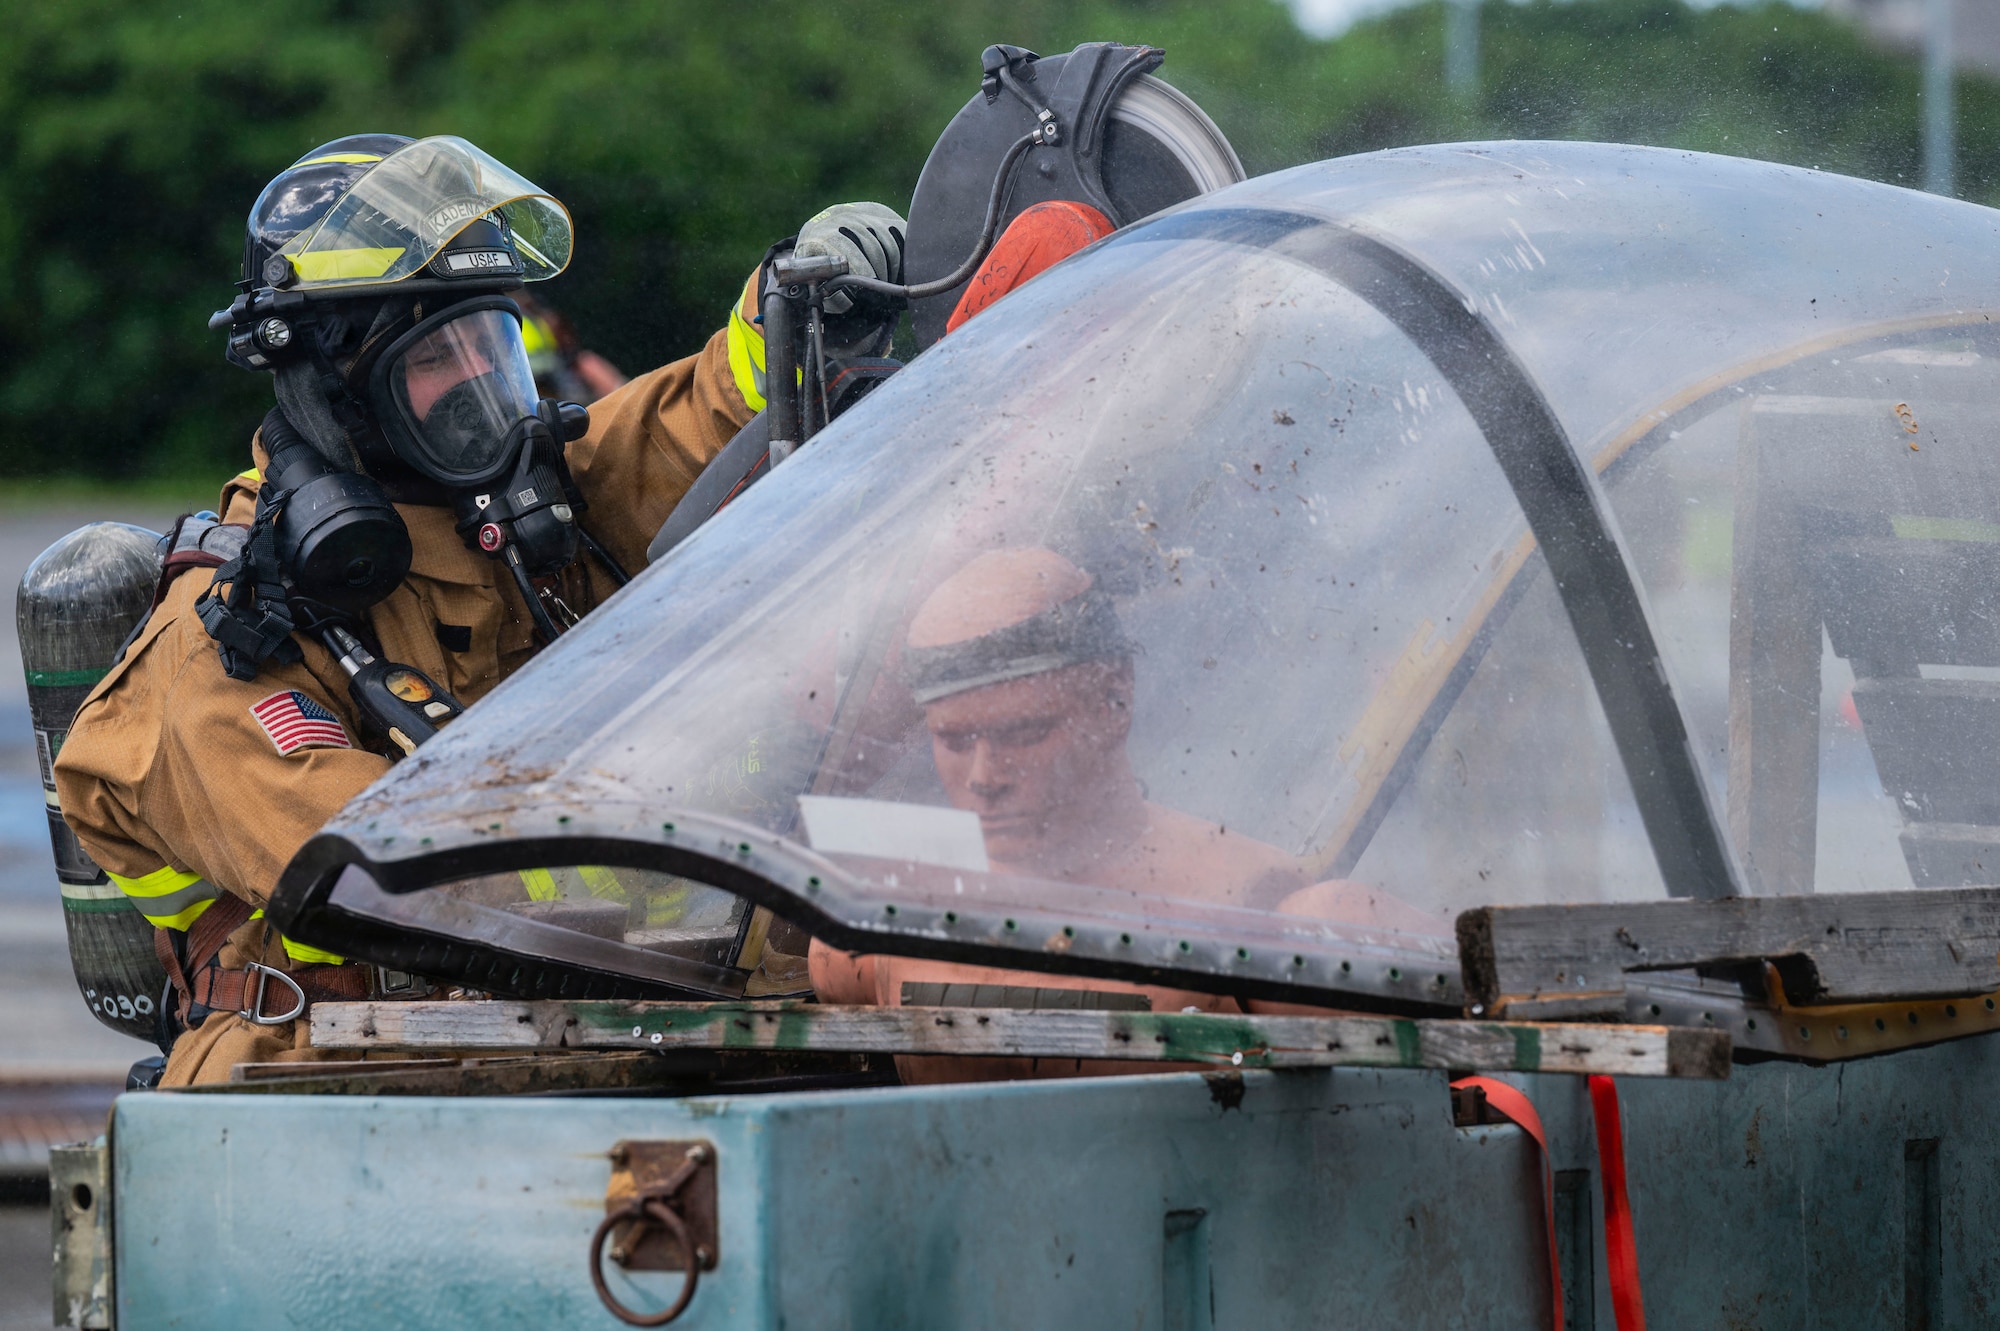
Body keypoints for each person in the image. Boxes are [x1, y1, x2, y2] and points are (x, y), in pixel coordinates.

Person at [52, 133, 908, 1086]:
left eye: (490, 348)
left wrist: (798, 305)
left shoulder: (510, 508)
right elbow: (407, 881)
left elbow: (700, 417)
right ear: (336, 387)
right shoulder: (227, 648)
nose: (481, 392)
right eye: (436, 358)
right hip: (314, 1091)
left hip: (563, 1041)